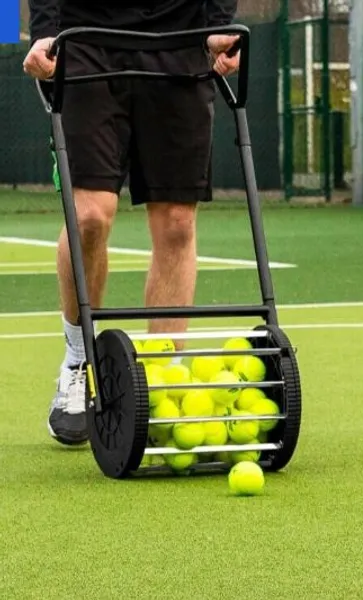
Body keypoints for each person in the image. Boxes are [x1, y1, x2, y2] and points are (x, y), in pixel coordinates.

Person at [23, 0, 240, 446]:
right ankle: (81, 362)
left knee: (177, 223)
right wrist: (45, 32)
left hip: (178, 45)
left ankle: (161, 381)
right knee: (89, 216)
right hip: (86, 44)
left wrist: (217, 29)